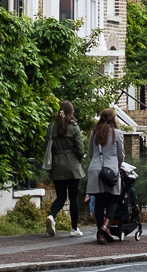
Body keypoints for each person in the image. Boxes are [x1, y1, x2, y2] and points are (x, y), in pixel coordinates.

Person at [44, 101, 87, 237]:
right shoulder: (74, 127)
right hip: (72, 165)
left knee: (61, 196)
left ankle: (52, 216)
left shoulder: (51, 127)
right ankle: (74, 229)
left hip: (56, 165)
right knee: (73, 197)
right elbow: (80, 148)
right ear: (71, 112)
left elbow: (47, 145)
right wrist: (77, 160)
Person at [86, 108, 127, 245]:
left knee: (99, 201)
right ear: (114, 118)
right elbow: (121, 155)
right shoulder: (117, 133)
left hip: (95, 170)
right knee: (114, 199)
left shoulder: (94, 133)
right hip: (111, 170)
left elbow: (91, 153)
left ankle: (100, 235)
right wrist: (117, 166)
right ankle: (106, 225)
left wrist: (96, 165)